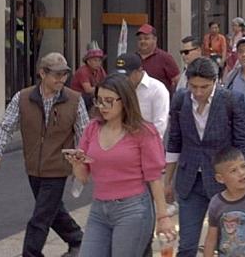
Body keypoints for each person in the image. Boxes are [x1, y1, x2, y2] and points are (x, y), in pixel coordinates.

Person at [0, 53, 89, 257]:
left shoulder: (74, 99)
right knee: (52, 209)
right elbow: (6, 127)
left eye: (65, 75)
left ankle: (31, 253)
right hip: (33, 166)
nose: (61, 79)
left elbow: (84, 134)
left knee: (41, 216)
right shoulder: (23, 97)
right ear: (42, 73)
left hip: (59, 167)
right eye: (56, 75)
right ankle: (78, 239)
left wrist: (83, 164)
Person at [67, 74, 175, 256]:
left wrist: (163, 216)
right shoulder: (93, 128)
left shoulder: (143, 131)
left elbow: (154, 177)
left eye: (109, 101)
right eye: (99, 101)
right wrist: (76, 163)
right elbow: (83, 177)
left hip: (132, 208)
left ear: (124, 100)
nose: (103, 107)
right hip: (99, 207)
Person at [163, 57, 245, 257]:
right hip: (190, 181)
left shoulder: (231, 100)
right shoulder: (180, 99)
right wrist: (167, 180)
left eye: (204, 87)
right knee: (187, 245)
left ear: (215, 81)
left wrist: (244, 177)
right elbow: (174, 141)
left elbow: (244, 141)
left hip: (224, 182)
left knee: (227, 245)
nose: (198, 92)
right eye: (193, 86)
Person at [113, 53, 170, 137]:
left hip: (147, 140)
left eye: (126, 76)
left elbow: (160, 124)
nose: (123, 79)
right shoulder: (118, 87)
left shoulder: (157, 89)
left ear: (138, 71)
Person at [136, 23, 181, 93]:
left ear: (155, 39)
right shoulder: (133, 58)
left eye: (146, 38)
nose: (142, 41)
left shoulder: (165, 58)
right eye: (140, 39)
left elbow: (178, 82)